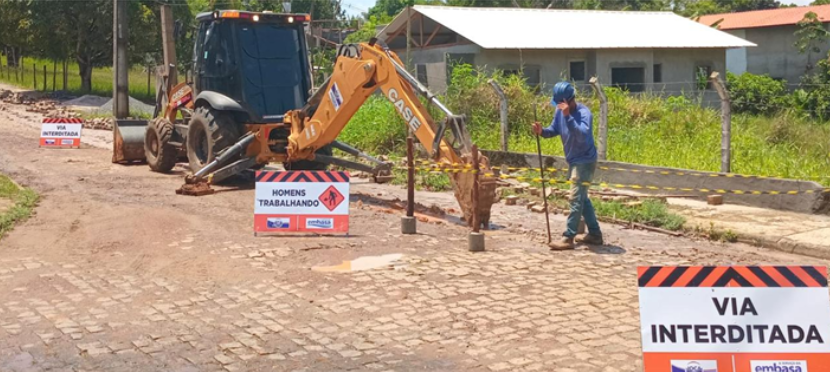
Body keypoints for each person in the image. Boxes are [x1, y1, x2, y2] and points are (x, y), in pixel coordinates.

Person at [531, 81, 603, 250]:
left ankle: (568, 237)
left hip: (585, 161)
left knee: (575, 198)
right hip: (573, 160)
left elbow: (582, 135)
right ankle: (595, 234)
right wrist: (542, 132)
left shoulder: (584, 113)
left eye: (560, 104)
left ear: (569, 101)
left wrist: (568, 116)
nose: (557, 107)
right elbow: (554, 130)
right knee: (582, 199)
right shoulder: (559, 113)